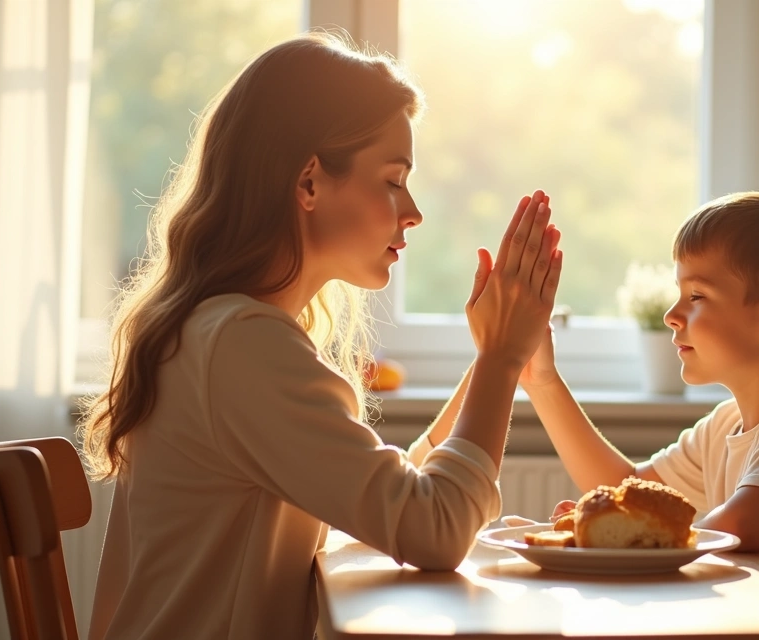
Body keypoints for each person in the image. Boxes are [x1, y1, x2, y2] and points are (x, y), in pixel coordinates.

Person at [79, 32, 563, 639]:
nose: (412, 210)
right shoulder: (242, 346)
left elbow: (387, 497)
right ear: (308, 182)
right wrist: (499, 358)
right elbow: (434, 528)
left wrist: (498, 361)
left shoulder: (216, 330)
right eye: (392, 179)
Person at [520, 191, 759, 551]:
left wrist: (632, 531)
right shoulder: (725, 425)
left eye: (697, 296)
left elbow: (742, 527)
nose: (670, 315)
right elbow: (627, 484)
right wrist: (542, 383)